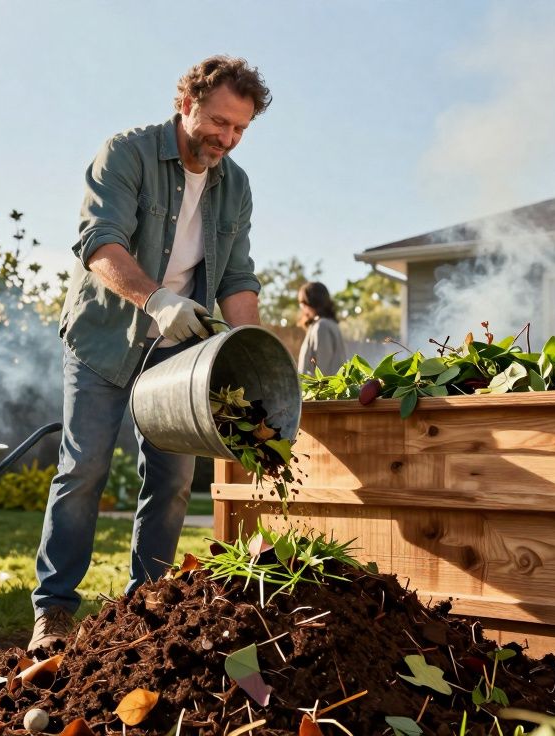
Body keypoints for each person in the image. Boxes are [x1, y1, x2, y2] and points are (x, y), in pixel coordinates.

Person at [28, 56, 270, 654]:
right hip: (105, 338)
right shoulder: (126, 154)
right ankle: (54, 609)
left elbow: (238, 277)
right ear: (186, 104)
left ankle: (146, 608)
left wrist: (252, 357)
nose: (226, 138)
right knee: (84, 469)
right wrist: (157, 299)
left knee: (173, 479)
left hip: (179, 350)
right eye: (218, 122)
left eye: (240, 128)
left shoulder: (235, 185)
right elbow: (99, 242)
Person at [296, 282, 347, 375]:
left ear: (309, 302)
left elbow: (322, 371)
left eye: (302, 303)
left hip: (323, 385)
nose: (301, 307)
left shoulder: (322, 326)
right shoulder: (328, 324)